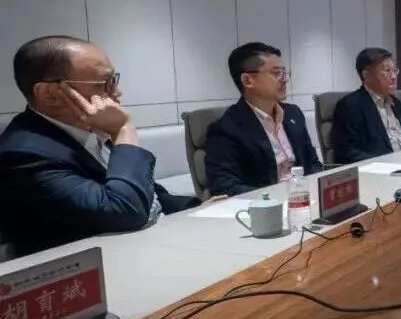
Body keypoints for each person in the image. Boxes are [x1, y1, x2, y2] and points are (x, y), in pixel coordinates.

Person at [0, 36, 201, 257]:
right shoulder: (22, 155)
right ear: (50, 95)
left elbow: (147, 191)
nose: (117, 93)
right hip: (102, 264)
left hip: (152, 244)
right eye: (104, 83)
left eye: (114, 80)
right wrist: (123, 129)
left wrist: (199, 207)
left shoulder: (88, 128)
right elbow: (125, 213)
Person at [204, 42, 322, 197]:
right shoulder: (226, 130)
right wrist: (276, 198)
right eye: (276, 73)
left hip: (305, 199)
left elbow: (313, 163)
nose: (285, 79)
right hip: (267, 205)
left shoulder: (293, 114)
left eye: (284, 72)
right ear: (248, 80)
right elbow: (224, 185)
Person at [332, 48, 401, 163]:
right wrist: (385, 163)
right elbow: (346, 152)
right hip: (381, 169)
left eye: (395, 70)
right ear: (367, 75)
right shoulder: (350, 106)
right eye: (387, 71)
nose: (393, 77)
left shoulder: (396, 104)